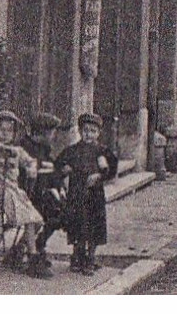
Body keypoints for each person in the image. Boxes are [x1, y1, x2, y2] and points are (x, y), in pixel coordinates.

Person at [0, 111, 48, 277]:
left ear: (14, 133)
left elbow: (30, 160)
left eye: (9, 131)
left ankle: (17, 251)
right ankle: (33, 257)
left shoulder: (17, 150)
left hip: (13, 192)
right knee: (29, 218)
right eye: (1, 129)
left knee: (37, 221)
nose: (4, 134)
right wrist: (4, 148)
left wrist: (31, 167)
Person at [54, 113, 117, 275]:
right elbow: (58, 166)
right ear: (80, 131)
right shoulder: (72, 151)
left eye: (93, 131)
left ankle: (91, 257)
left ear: (99, 133)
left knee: (94, 225)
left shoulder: (102, 151)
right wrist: (64, 170)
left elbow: (111, 170)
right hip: (76, 194)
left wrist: (100, 175)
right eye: (86, 130)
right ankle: (77, 255)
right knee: (77, 224)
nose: (89, 134)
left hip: (94, 195)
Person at [18, 112, 64, 276]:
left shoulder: (45, 148)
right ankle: (31, 256)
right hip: (26, 193)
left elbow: (53, 170)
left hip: (40, 192)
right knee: (39, 214)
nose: (54, 135)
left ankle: (37, 245)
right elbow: (30, 169)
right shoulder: (25, 146)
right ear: (43, 132)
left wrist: (59, 188)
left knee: (62, 213)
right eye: (52, 132)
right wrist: (46, 168)